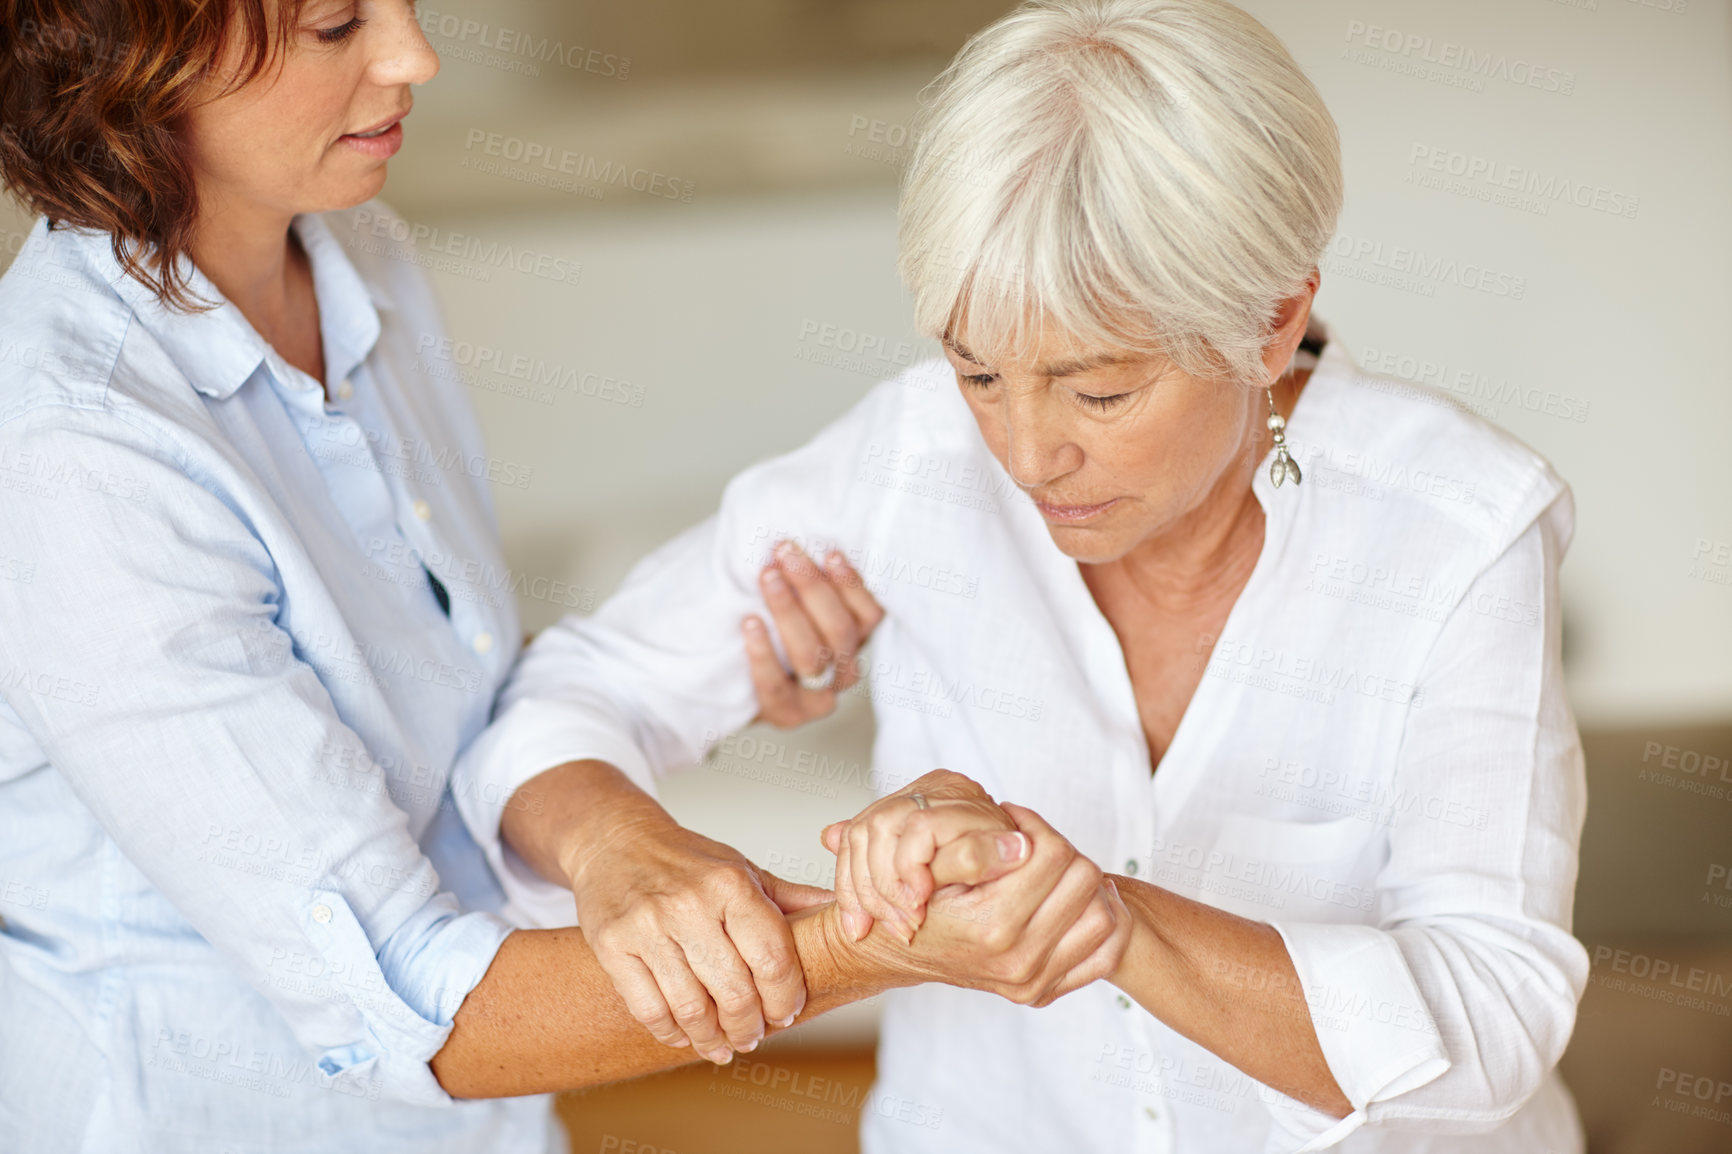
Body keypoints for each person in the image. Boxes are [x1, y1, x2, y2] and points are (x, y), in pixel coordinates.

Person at [0, 3, 1126, 1151]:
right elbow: (407, 1006)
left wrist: (645, 792)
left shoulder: (356, 255)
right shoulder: (78, 452)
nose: (413, 56)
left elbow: (448, 710)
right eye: (337, 24)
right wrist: (877, 940)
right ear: (131, 62)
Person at [466, 1, 1591, 1150]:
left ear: (1270, 324)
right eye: (977, 371)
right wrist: (618, 847)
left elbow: (1494, 1011)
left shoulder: (1460, 526)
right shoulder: (909, 463)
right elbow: (566, 700)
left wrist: (1110, 919)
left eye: (1098, 391)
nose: (1023, 453)